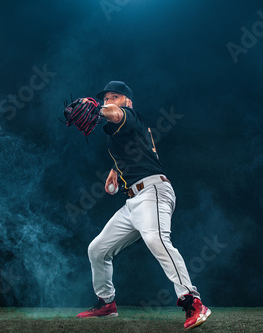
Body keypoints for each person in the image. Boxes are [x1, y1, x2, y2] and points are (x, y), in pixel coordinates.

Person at [76, 81, 211, 329]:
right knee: (97, 249)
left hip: (153, 192)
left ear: (127, 101)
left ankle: (193, 301)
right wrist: (115, 170)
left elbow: (115, 114)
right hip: (134, 200)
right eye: (104, 98)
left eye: (113, 97)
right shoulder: (123, 132)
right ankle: (106, 303)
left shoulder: (128, 115)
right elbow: (134, 150)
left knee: (157, 240)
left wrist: (97, 108)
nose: (108, 102)